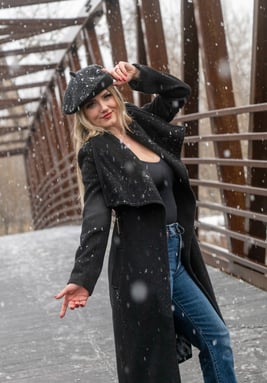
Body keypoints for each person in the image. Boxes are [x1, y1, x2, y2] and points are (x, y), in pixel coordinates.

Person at [55, 61, 237, 383]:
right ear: (83, 115)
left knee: (217, 338)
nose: (103, 107)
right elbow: (95, 215)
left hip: (175, 254)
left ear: (114, 93)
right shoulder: (96, 151)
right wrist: (83, 276)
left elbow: (179, 93)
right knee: (156, 366)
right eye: (91, 105)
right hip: (141, 264)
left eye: (106, 96)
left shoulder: (138, 123)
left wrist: (139, 75)